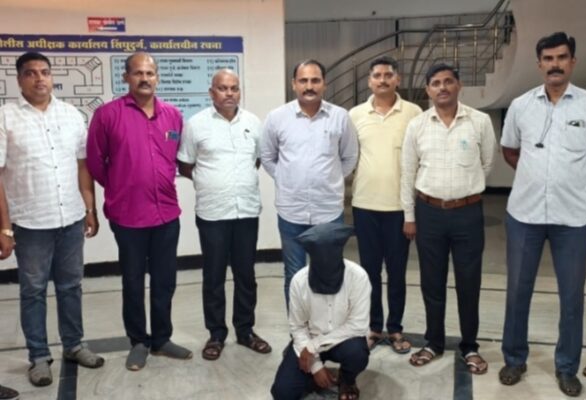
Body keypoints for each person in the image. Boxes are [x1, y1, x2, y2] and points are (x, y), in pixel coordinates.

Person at [499, 32, 586, 397]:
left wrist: (573, 177)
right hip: (524, 215)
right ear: (539, 63)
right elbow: (510, 150)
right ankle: (514, 359)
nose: (555, 64)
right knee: (517, 292)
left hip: (573, 218)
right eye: (548, 58)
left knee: (572, 297)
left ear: (572, 61)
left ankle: (567, 367)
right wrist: (536, 176)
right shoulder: (520, 105)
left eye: (561, 57)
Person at [0, 52, 104, 387]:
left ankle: (74, 345)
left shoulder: (71, 114)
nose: (39, 78)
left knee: (71, 286)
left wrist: (90, 209)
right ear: (19, 79)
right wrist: (4, 227)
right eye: (31, 73)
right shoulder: (5, 117)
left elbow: (82, 166)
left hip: (70, 218)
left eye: (44, 72)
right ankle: (39, 356)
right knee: (32, 291)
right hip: (30, 223)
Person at [86, 52, 192, 371]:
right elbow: (95, 162)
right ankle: (138, 342)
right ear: (126, 77)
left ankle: (161, 339)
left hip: (166, 214)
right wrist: (121, 185)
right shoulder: (108, 115)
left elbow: (176, 158)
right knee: (133, 282)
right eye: (138, 73)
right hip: (128, 215)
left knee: (165, 280)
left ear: (157, 77)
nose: (144, 78)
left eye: (150, 73)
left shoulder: (173, 115)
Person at [401, 63, 496, 374]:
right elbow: (408, 173)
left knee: (469, 282)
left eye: (448, 81)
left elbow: (487, 164)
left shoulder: (479, 121)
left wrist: (464, 190)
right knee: (432, 282)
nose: (442, 87)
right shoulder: (417, 125)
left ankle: (470, 346)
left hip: (468, 214)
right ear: (428, 89)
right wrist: (409, 215)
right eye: (436, 83)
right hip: (429, 213)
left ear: (459, 85)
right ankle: (434, 342)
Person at [177, 69, 271, 361]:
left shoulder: (253, 123)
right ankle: (216, 334)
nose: (229, 93)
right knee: (214, 276)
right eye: (222, 88)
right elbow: (185, 164)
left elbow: (257, 159)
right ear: (211, 92)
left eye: (234, 88)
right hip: (212, 213)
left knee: (246, 275)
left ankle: (245, 331)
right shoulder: (196, 125)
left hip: (246, 211)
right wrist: (210, 181)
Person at [261, 59, 358, 306]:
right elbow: (268, 157)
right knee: (294, 275)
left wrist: (330, 180)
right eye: (303, 80)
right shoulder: (277, 118)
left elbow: (349, 157)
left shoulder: (340, 117)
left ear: (324, 84)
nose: (309, 86)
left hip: (328, 213)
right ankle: (298, 327)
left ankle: (326, 327)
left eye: (315, 80)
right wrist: (286, 178)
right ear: (293, 84)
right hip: (291, 212)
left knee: (329, 275)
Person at [349, 56, 421, 353]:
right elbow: (347, 155)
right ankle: (374, 326)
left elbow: (419, 158)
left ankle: (395, 328)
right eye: (377, 75)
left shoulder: (413, 113)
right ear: (369, 81)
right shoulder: (355, 115)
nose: (382, 80)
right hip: (365, 205)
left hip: (398, 209)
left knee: (397, 272)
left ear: (397, 79)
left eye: (388, 75)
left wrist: (411, 211)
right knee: (368, 272)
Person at [270, 222, 370, 400]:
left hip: (344, 340)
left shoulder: (358, 277)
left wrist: (312, 347)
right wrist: (315, 366)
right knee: (282, 393)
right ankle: (311, 377)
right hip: (309, 338)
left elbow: (358, 326)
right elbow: (297, 327)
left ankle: (347, 380)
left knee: (357, 353)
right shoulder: (299, 281)